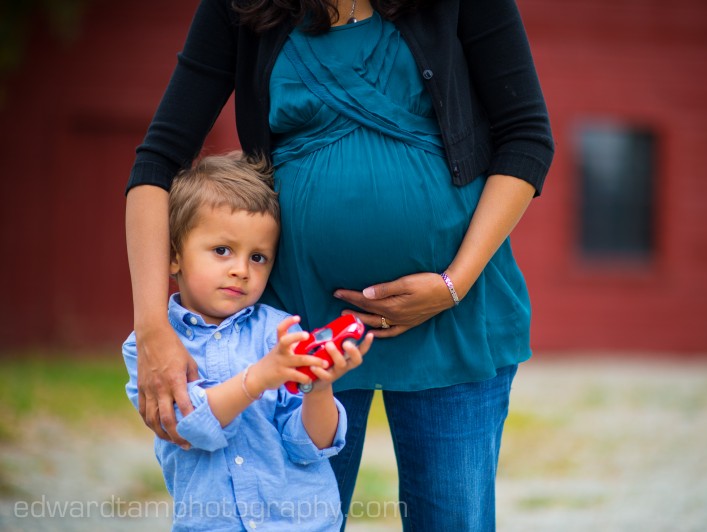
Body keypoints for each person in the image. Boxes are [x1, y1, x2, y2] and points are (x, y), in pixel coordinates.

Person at [125, 0, 554, 529]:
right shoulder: (239, 6)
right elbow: (158, 160)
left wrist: (454, 283)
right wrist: (152, 328)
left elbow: (527, 137)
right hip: (299, 333)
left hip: (452, 317)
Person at [122, 152, 373, 530]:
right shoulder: (150, 347)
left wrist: (318, 390)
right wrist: (260, 378)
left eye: (258, 257)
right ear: (173, 257)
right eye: (222, 250)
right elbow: (189, 427)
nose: (241, 270)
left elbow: (310, 447)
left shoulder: (281, 332)